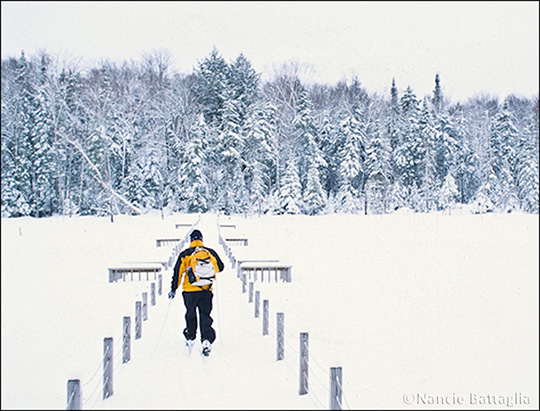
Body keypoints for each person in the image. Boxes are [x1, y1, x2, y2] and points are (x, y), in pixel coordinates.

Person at [168, 229, 224, 356]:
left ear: (191, 240)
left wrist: (173, 289)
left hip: (189, 290)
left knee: (190, 313)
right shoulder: (209, 252)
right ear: (201, 239)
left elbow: (177, 273)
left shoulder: (185, 254)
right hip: (206, 289)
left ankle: (190, 335)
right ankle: (207, 339)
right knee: (205, 314)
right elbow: (220, 267)